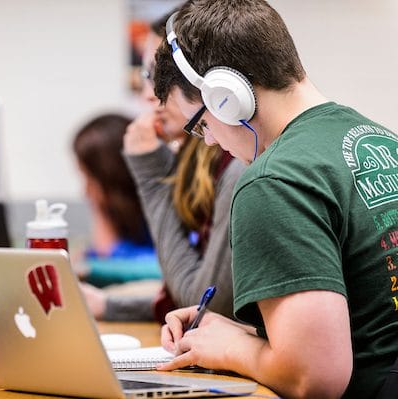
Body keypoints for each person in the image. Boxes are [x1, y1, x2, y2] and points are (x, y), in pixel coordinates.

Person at [152, 1, 398, 398]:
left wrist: (231, 350)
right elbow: (369, 318)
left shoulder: (272, 180)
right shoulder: (379, 139)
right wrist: (244, 333)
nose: (210, 141)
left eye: (200, 125)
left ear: (224, 97)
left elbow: (316, 377)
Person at [80, 10, 246, 322]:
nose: (146, 96)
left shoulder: (236, 166)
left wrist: (151, 173)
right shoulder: (197, 165)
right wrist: (110, 307)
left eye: (157, 78)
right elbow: (191, 292)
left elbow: (203, 304)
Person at [72, 113, 160, 288]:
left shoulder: (156, 204)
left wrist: (92, 265)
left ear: (110, 177)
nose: (85, 191)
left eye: (90, 178)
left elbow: (163, 267)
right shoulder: (124, 215)